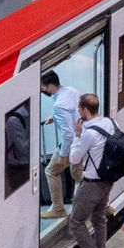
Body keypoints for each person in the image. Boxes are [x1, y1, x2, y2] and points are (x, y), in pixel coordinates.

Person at [67, 93, 114, 248]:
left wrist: (77, 136)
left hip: (92, 183)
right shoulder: (110, 123)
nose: (79, 113)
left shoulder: (88, 133)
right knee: (99, 218)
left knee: (76, 222)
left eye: (80, 109)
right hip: (108, 179)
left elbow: (74, 159)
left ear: (85, 110)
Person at [39, 72, 81, 219]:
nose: (43, 91)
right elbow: (74, 114)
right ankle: (102, 203)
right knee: (78, 174)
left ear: (50, 86)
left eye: (43, 88)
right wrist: (55, 118)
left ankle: (57, 208)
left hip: (72, 143)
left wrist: (63, 155)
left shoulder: (59, 105)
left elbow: (68, 133)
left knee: (51, 171)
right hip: (82, 140)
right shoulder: (72, 91)